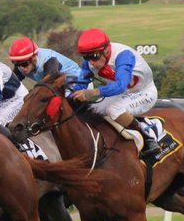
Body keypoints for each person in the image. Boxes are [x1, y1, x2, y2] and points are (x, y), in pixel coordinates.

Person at [67, 27, 162, 161]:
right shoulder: (89, 64)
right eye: (86, 57)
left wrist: (93, 92)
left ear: (106, 50)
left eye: (94, 56)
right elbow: (79, 86)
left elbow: (120, 85)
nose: (91, 62)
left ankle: (148, 139)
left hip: (144, 92)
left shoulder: (123, 56)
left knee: (114, 109)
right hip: (122, 94)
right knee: (91, 110)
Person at [7, 36, 82, 84]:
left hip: (79, 83)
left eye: (24, 64)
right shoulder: (21, 65)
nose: (21, 68)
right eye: (16, 64)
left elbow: (49, 82)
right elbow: (11, 85)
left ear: (34, 57)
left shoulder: (49, 60)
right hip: (62, 86)